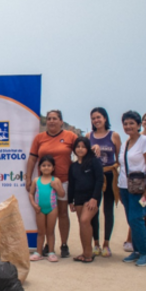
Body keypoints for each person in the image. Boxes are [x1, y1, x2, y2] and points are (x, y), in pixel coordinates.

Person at [25, 110, 77, 258]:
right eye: (49, 119)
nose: (52, 121)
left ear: (61, 121)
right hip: (44, 182)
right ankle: (48, 244)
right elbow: (33, 159)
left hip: (64, 181)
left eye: (55, 118)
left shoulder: (70, 136)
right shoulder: (39, 138)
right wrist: (28, 177)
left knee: (62, 213)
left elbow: (82, 149)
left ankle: (64, 244)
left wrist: (94, 147)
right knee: (45, 214)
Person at [118, 110, 146, 267]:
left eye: (132, 123)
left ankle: (145, 253)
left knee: (137, 219)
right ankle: (137, 250)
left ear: (139, 125)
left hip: (139, 188)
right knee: (130, 220)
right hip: (124, 186)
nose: (128, 126)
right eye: (125, 123)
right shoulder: (126, 143)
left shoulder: (145, 141)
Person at [88, 107, 121, 257]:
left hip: (109, 175)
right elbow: (83, 157)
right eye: (93, 118)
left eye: (99, 117)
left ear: (105, 118)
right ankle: (95, 243)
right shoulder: (89, 136)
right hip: (94, 177)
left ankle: (106, 243)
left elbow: (120, 158)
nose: (96, 120)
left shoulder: (114, 136)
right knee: (93, 209)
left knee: (108, 210)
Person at [68, 138, 104, 263]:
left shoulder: (94, 161)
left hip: (91, 197)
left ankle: (89, 253)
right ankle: (85, 252)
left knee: (84, 220)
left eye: (83, 146)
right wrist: (70, 201)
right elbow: (71, 184)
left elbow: (100, 180)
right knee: (82, 224)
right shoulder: (73, 166)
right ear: (74, 149)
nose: (80, 149)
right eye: (78, 146)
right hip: (78, 197)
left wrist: (94, 198)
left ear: (88, 148)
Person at [28, 155, 65, 262]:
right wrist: (34, 205)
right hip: (39, 209)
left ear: (53, 168)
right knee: (41, 232)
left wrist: (56, 187)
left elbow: (62, 194)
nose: (46, 167)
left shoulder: (56, 180)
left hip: (52, 208)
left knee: (50, 231)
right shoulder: (36, 180)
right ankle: (38, 252)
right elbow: (31, 194)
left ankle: (51, 252)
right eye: (43, 165)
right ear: (39, 167)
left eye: (49, 165)